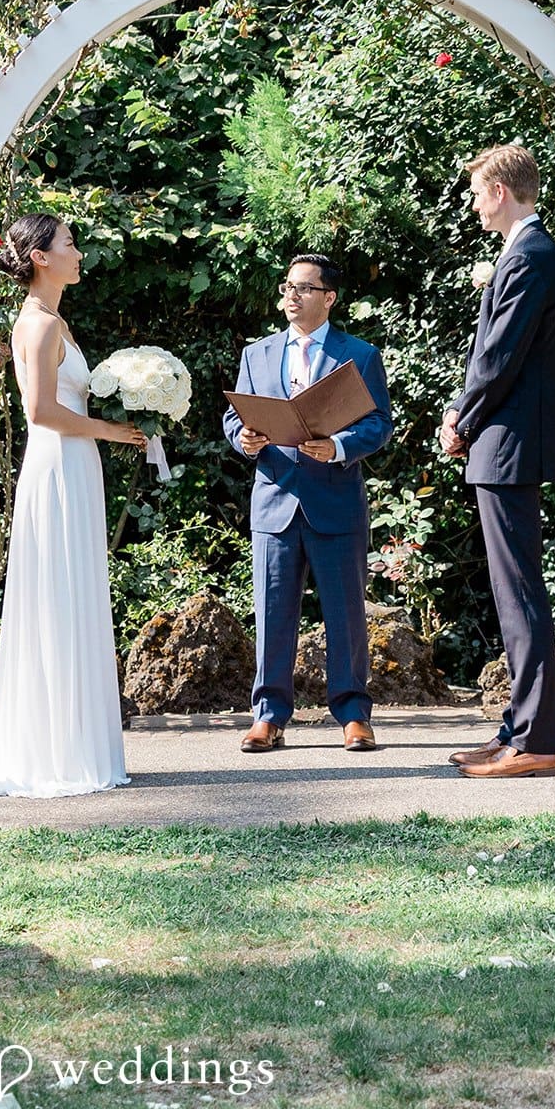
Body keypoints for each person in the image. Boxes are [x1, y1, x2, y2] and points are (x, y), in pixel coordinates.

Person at [0, 214, 146, 797]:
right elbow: (41, 411)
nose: (78, 253)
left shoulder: (53, 319)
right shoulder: (40, 325)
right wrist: (112, 430)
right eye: (69, 244)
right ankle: (59, 753)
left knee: (74, 592)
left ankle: (75, 743)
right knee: (58, 594)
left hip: (74, 463)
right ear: (41, 258)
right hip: (57, 462)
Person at [222, 253, 393, 753]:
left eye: (304, 288)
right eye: (287, 287)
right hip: (274, 500)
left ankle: (354, 715)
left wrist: (338, 446)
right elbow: (236, 418)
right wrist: (244, 439)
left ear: (329, 297)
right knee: (272, 614)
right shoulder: (256, 354)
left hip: (335, 500)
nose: (291, 295)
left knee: (346, 615)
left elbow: (378, 423)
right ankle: (268, 716)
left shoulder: (359, 354)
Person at [439, 144, 555, 779]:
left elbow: (498, 355)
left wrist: (460, 418)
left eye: (476, 192)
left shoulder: (530, 255)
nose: (472, 204)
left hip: (510, 444)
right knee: (513, 592)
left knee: (519, 594)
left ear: (499, 191)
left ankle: (536, 742)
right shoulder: (527, 253)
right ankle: (516, 731)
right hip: (506, 443)